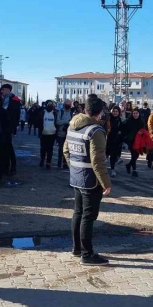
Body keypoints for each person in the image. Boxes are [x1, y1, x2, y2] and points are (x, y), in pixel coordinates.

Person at [63, 96, 112, 266]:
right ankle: (87, 254)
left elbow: (66, 151)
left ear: (86, 110)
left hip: (76, 177)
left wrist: (75, 168)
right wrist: (106, 183)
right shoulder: (95, 131)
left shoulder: (73, 126)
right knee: (88, 216)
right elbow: (98, 161)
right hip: (91, 180)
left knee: (78, 212)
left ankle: (77, 249)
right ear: (100, 112)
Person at [0, 84, 21, 173]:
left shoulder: (14, 100)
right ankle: (5, 166)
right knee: (3, 147)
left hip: (8, 127)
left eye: (3, 89)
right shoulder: (2, 98)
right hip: (2, 126)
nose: (2, 91)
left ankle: (13, 166)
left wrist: (13, 127)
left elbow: (17, 115)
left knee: (9, 146)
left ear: (8, 90)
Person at [121, 108, 145, 177]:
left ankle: (128, 165)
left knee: (136, 155)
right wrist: (126, 137)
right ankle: (134, 170)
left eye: (136, 113)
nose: (135, 115)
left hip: (138, 140)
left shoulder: (141, 121)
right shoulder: (128, 121)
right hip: (130, 140)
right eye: (134, 113)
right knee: (133, 155)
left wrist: (141, 132)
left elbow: (144, 130)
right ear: (132, 114)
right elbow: (123, 129)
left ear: (139, 114)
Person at [55, 100, 74, 169]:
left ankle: (65, 163)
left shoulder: (71, 113)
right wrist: (66, 122)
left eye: (69, 104)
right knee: (60, 149)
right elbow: (57, 122)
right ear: (64, 104)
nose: (68, 105)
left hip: (68, 134)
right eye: (67, 104)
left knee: (67, 150)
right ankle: (59, 163)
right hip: (61, 134)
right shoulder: (61, 112)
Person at [39, 101, 58, 169]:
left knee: (50, 149)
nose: (50, 106)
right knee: (43, 148)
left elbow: (57, 123)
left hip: (52, 134)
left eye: (51, 105)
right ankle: (42, 159)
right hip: (43, 134)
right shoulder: (42, 112)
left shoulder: (55, 113)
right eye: (48, 105)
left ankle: (48, 162)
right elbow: (39, 121)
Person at [106, 107, 123, 177]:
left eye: (116, 111)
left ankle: (112, 169)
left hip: (116, 140)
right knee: (106, 154)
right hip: (108, 139)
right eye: (114, 111)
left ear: (119, 112)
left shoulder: (119, 120)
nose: (115, 113)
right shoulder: (108, 119)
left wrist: (120, 133)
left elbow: (121, 129)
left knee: (113, 155)